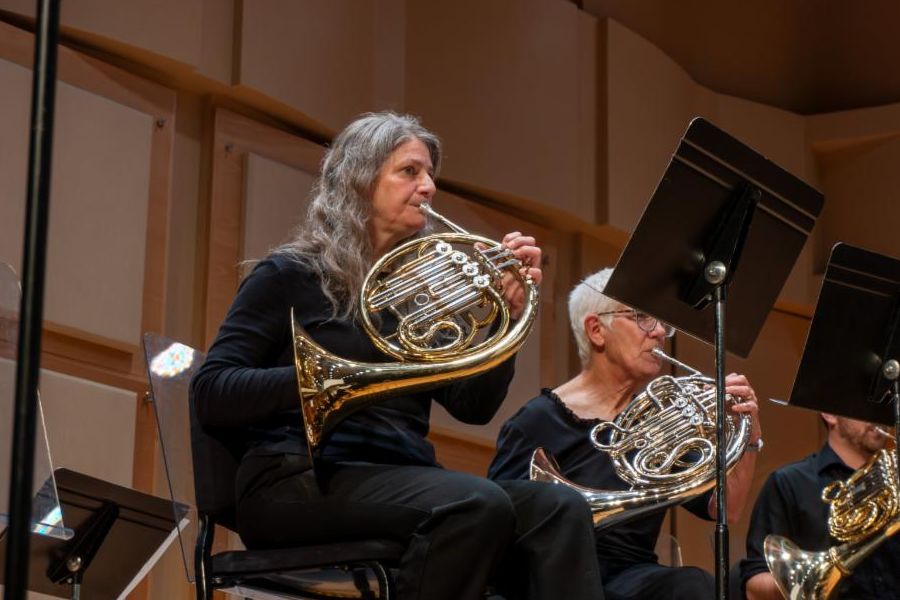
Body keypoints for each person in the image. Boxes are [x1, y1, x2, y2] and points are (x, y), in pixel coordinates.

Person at [190, 111, 604, 600]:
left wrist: (504, 318)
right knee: (474, 503)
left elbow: (474, 408)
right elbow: (212, 390)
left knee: (557, 508)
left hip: (400, 476)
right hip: (295, 479)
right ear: (359, 181)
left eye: (430, 174)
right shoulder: (291, 275)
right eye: (409, 171)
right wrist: (331, 376)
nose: (428, 187)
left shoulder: (421, 295)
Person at [488, 267, 763, 600]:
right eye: (642, 318)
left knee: (694, 586)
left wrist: (748, 434)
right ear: (597, 330)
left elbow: (726, 509)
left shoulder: (663, 419)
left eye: (661, 322)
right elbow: (500, 519)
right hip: (552, 574)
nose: (660, 332)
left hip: (631, 575)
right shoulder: (538, 419)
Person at [741, 414, 900, 599]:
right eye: (864, 404)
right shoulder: (789, 482)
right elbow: (754, 586)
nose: (877, 414)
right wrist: (809, 583)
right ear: (830, 415)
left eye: (883, 405)